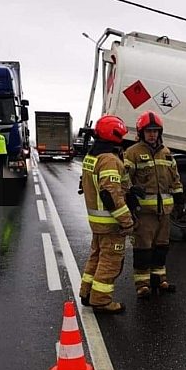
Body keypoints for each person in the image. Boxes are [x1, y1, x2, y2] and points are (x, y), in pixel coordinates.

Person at [123, 110, 183, 298]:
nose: (152, 134)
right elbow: (125, 179)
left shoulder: (166, 153)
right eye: (148, 131)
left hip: (164, 212)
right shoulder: (132, 153)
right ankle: (142, 285)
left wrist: (179, 196)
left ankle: (159, 280)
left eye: (155, 131)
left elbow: (175, 177)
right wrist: (130, 194)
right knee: (143, 249)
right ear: (141, 133)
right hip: (144, 213)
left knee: (161, 247)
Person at [79, 115, 135, 314]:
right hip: (111, 223)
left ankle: (87, 293)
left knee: (96, 257)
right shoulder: (109, 160)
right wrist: (127, 221)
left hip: (97, 222)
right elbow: (111, 193)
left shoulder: (93, 156)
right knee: (110, 261)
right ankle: (101, 301)